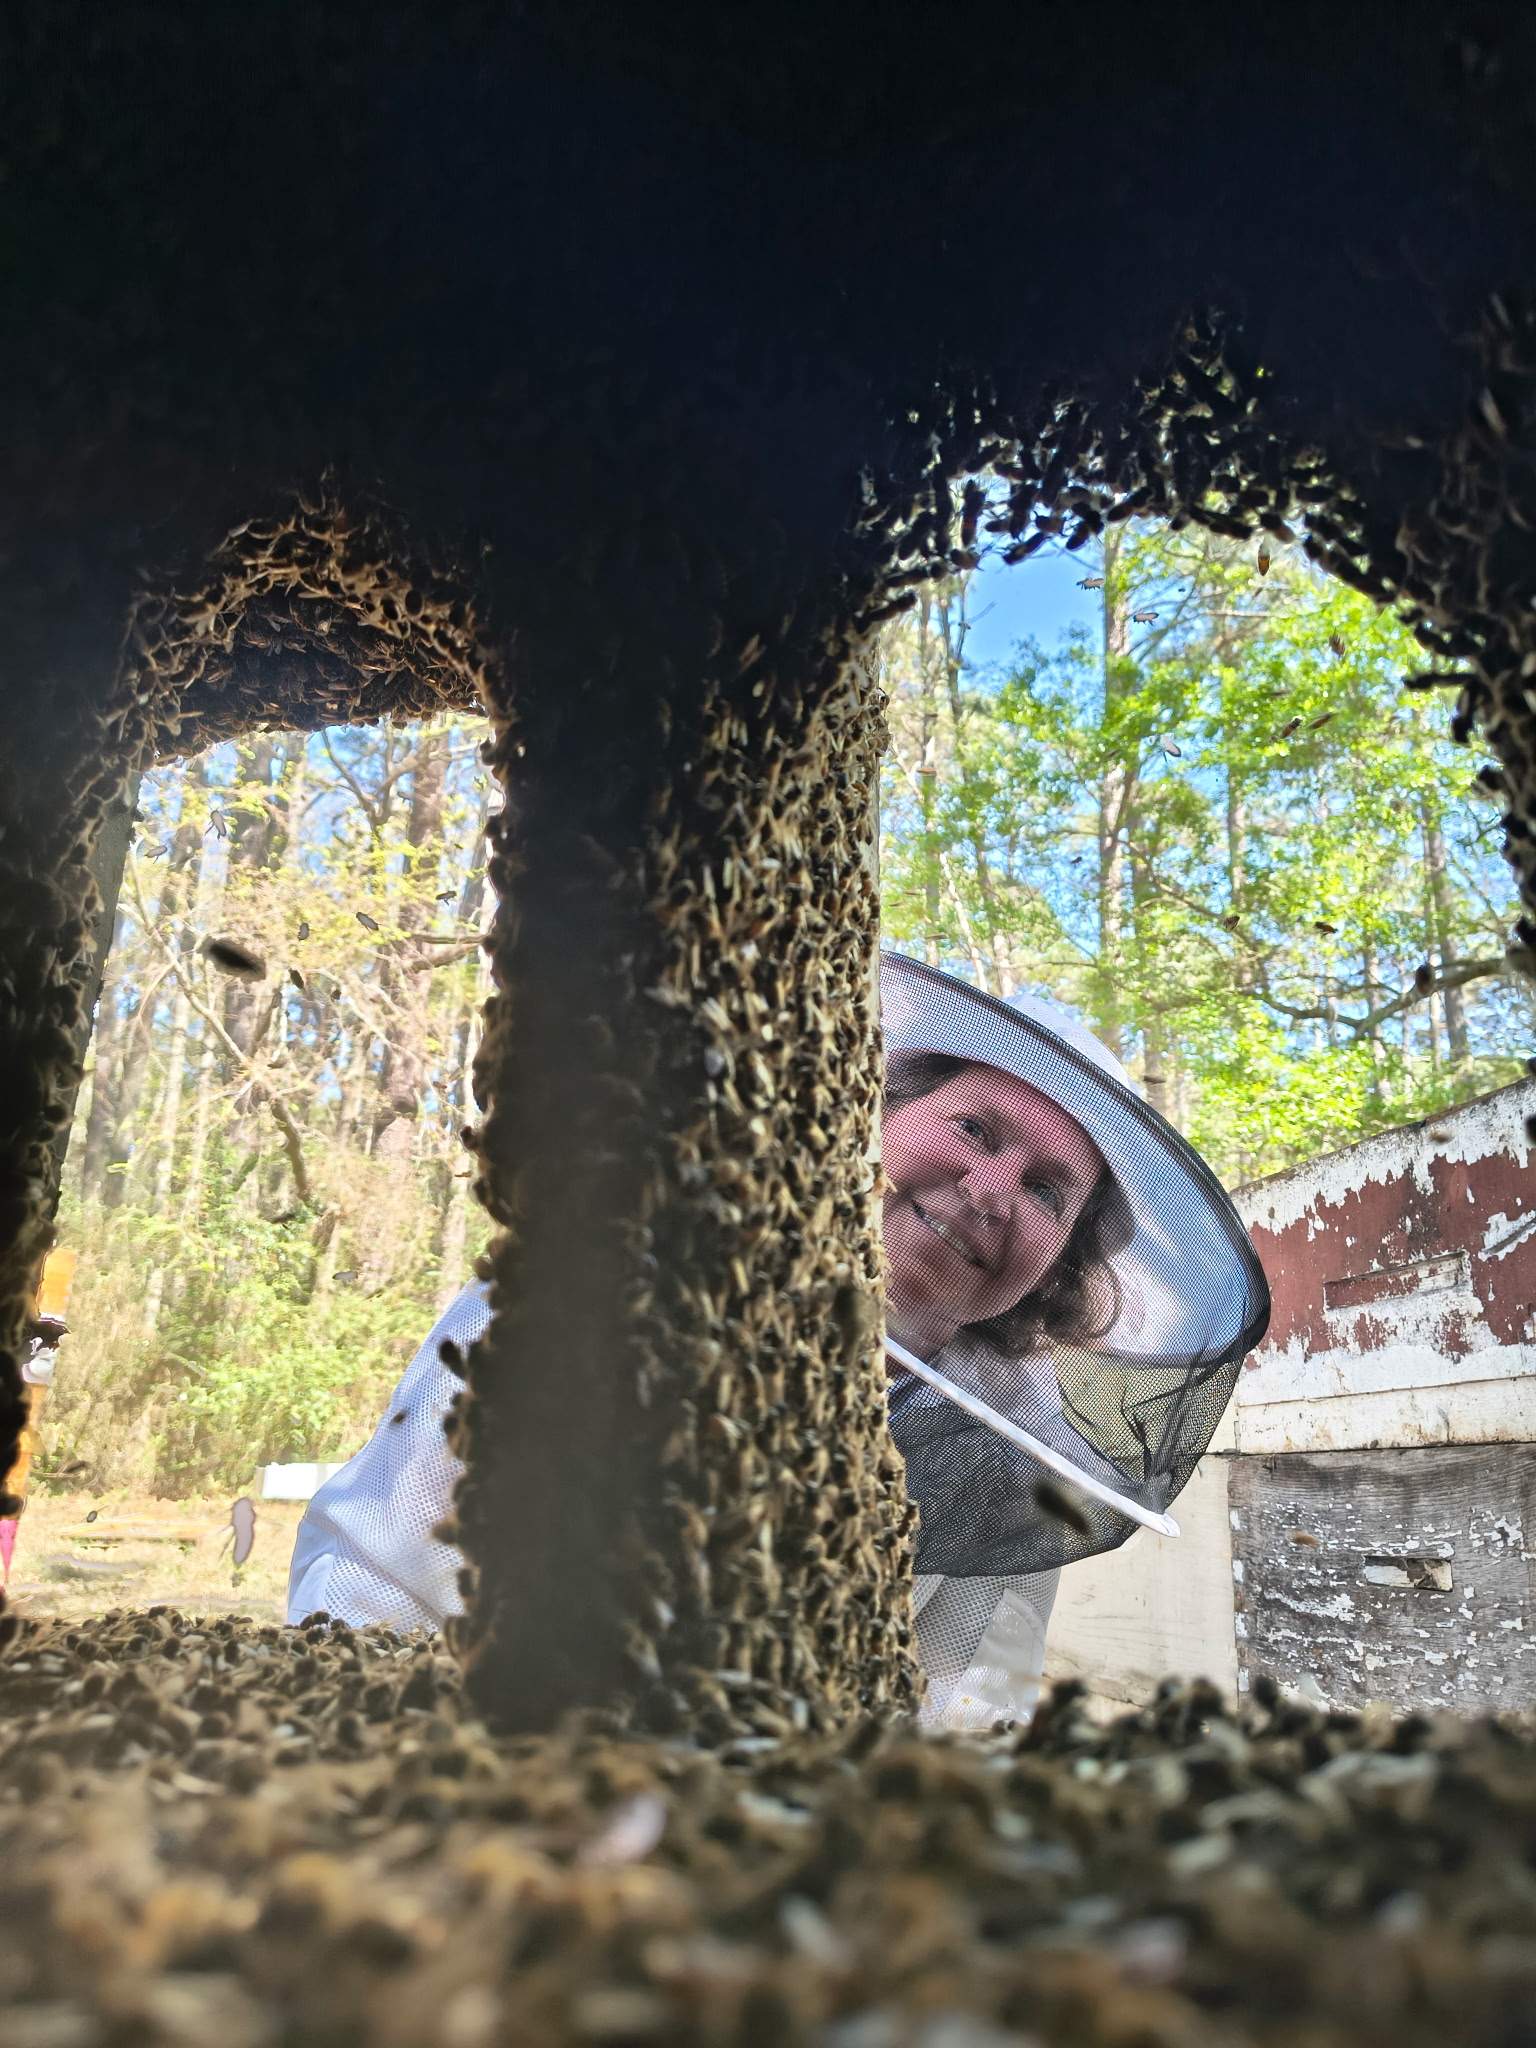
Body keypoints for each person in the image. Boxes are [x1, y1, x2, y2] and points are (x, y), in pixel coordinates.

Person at [289, 951, 1269, 1727]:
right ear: (872, 1117)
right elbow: (374, 1573)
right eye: (974, 1127)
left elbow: (965, 1711)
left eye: (1049, 1189)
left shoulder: (1011, 1460)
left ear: (1058, 1265)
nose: (992, 1191)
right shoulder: (593, 1286)